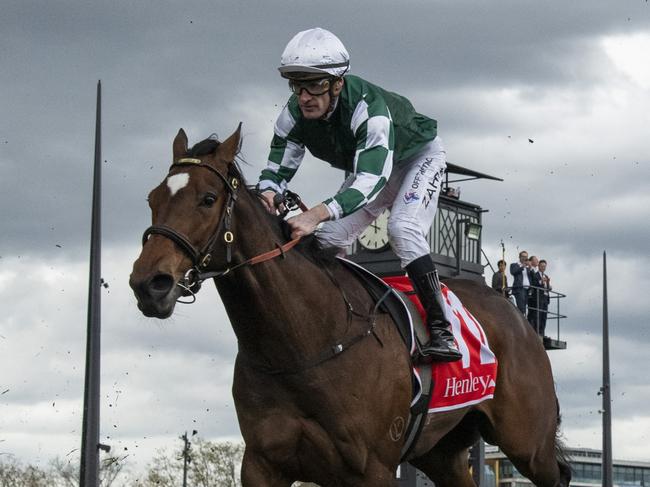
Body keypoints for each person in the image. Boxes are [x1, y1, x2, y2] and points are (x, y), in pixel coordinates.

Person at [257, 28, 461, 363]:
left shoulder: (369, 109)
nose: (304, 95)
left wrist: (314, 213)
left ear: (337, 83)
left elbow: (371, 180)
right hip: (372, 165)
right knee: (326, 240)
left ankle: (443, 330)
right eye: (296, 83)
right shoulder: (292, 114)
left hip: (415, 158)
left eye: (314, 84)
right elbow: (278, 164)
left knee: (402, 229)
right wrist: (268, 192)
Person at [526, 256, 542, 332]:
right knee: (531, 312)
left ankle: (536, 329)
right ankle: (531, 328)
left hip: (537, 294)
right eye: (536, 260)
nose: (537, 261)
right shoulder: (530, 269)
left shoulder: (536, 270)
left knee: (537, 313)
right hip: (531, 293)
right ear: (531, 261)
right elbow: (533, 280)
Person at [538, 259, 552, 336]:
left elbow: (547, 287)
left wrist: (549, 286)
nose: (543, 268)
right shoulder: (536, 274)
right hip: (539, 297)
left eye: (544, 266)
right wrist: (541, 281)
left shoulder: (546, 276)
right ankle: (539, 332)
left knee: (544, 316)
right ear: (539, 266)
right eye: (542, 266)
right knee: (539, 315)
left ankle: (542, 332)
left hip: (545, 297)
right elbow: (535, 283)